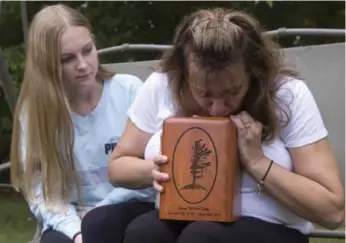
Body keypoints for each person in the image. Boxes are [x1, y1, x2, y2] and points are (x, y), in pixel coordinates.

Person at [108, 7, 345, 243]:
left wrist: (256, 162)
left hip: (270, 227)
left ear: (254, 72)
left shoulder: (288, 94)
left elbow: (332, 211)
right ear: (183, 72)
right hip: (181, 215)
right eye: (203, 92)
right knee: (144, 233)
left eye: (232, 91)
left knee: (200, 237)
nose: (218, 108)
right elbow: (117, 167)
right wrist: (156, 170)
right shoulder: (162, 85)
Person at [10, 4, 155, 243]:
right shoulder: (35, 114)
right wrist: (76, 231)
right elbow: (42, 193)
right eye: (67, 59)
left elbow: (151, 173)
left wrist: (96, 214)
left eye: (87, 50)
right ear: (45, 65)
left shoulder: (129, 91)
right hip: (70, 217)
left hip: (131, 205)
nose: (83, 64)